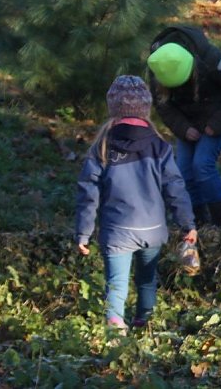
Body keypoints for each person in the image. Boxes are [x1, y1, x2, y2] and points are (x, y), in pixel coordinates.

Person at [75, 75, 197, 333]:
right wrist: (187, 223)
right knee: (147, 280)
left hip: (117, 231)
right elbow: (175, 187)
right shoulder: (159, 146)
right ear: (145, 108)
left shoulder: (102, 147)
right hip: (153, 230)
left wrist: (83, 232)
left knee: (116, 284)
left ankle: (115, 331)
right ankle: (144, 322)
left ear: (113, 108)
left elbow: (88, 193)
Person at [146, 25, 221, 227]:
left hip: (217, 118)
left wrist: (217, 124)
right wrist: (183, 128)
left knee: (202, 165)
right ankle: (198, 222)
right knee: (184, 171)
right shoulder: (158, 65)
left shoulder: (211, 59)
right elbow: (162, 105)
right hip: (187, 123)